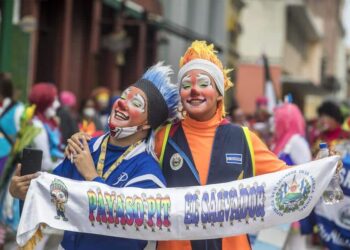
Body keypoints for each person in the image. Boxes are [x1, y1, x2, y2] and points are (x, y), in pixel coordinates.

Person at [10, 62, 179, 250]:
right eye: (124, 96)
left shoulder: (148, 173)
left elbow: (130, 224)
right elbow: (48, 202)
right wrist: (23, 192)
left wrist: (92, 176)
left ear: (147, 123)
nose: (122, 103)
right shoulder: (83, 148)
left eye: (136, 103)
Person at [154, 41, 288, 250]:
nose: (194, 91)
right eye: (186, 86)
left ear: (219, 94)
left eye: (204, 84)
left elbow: (287, 179)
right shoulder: (163, 137)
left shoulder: (243, 138)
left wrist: (322, 167)